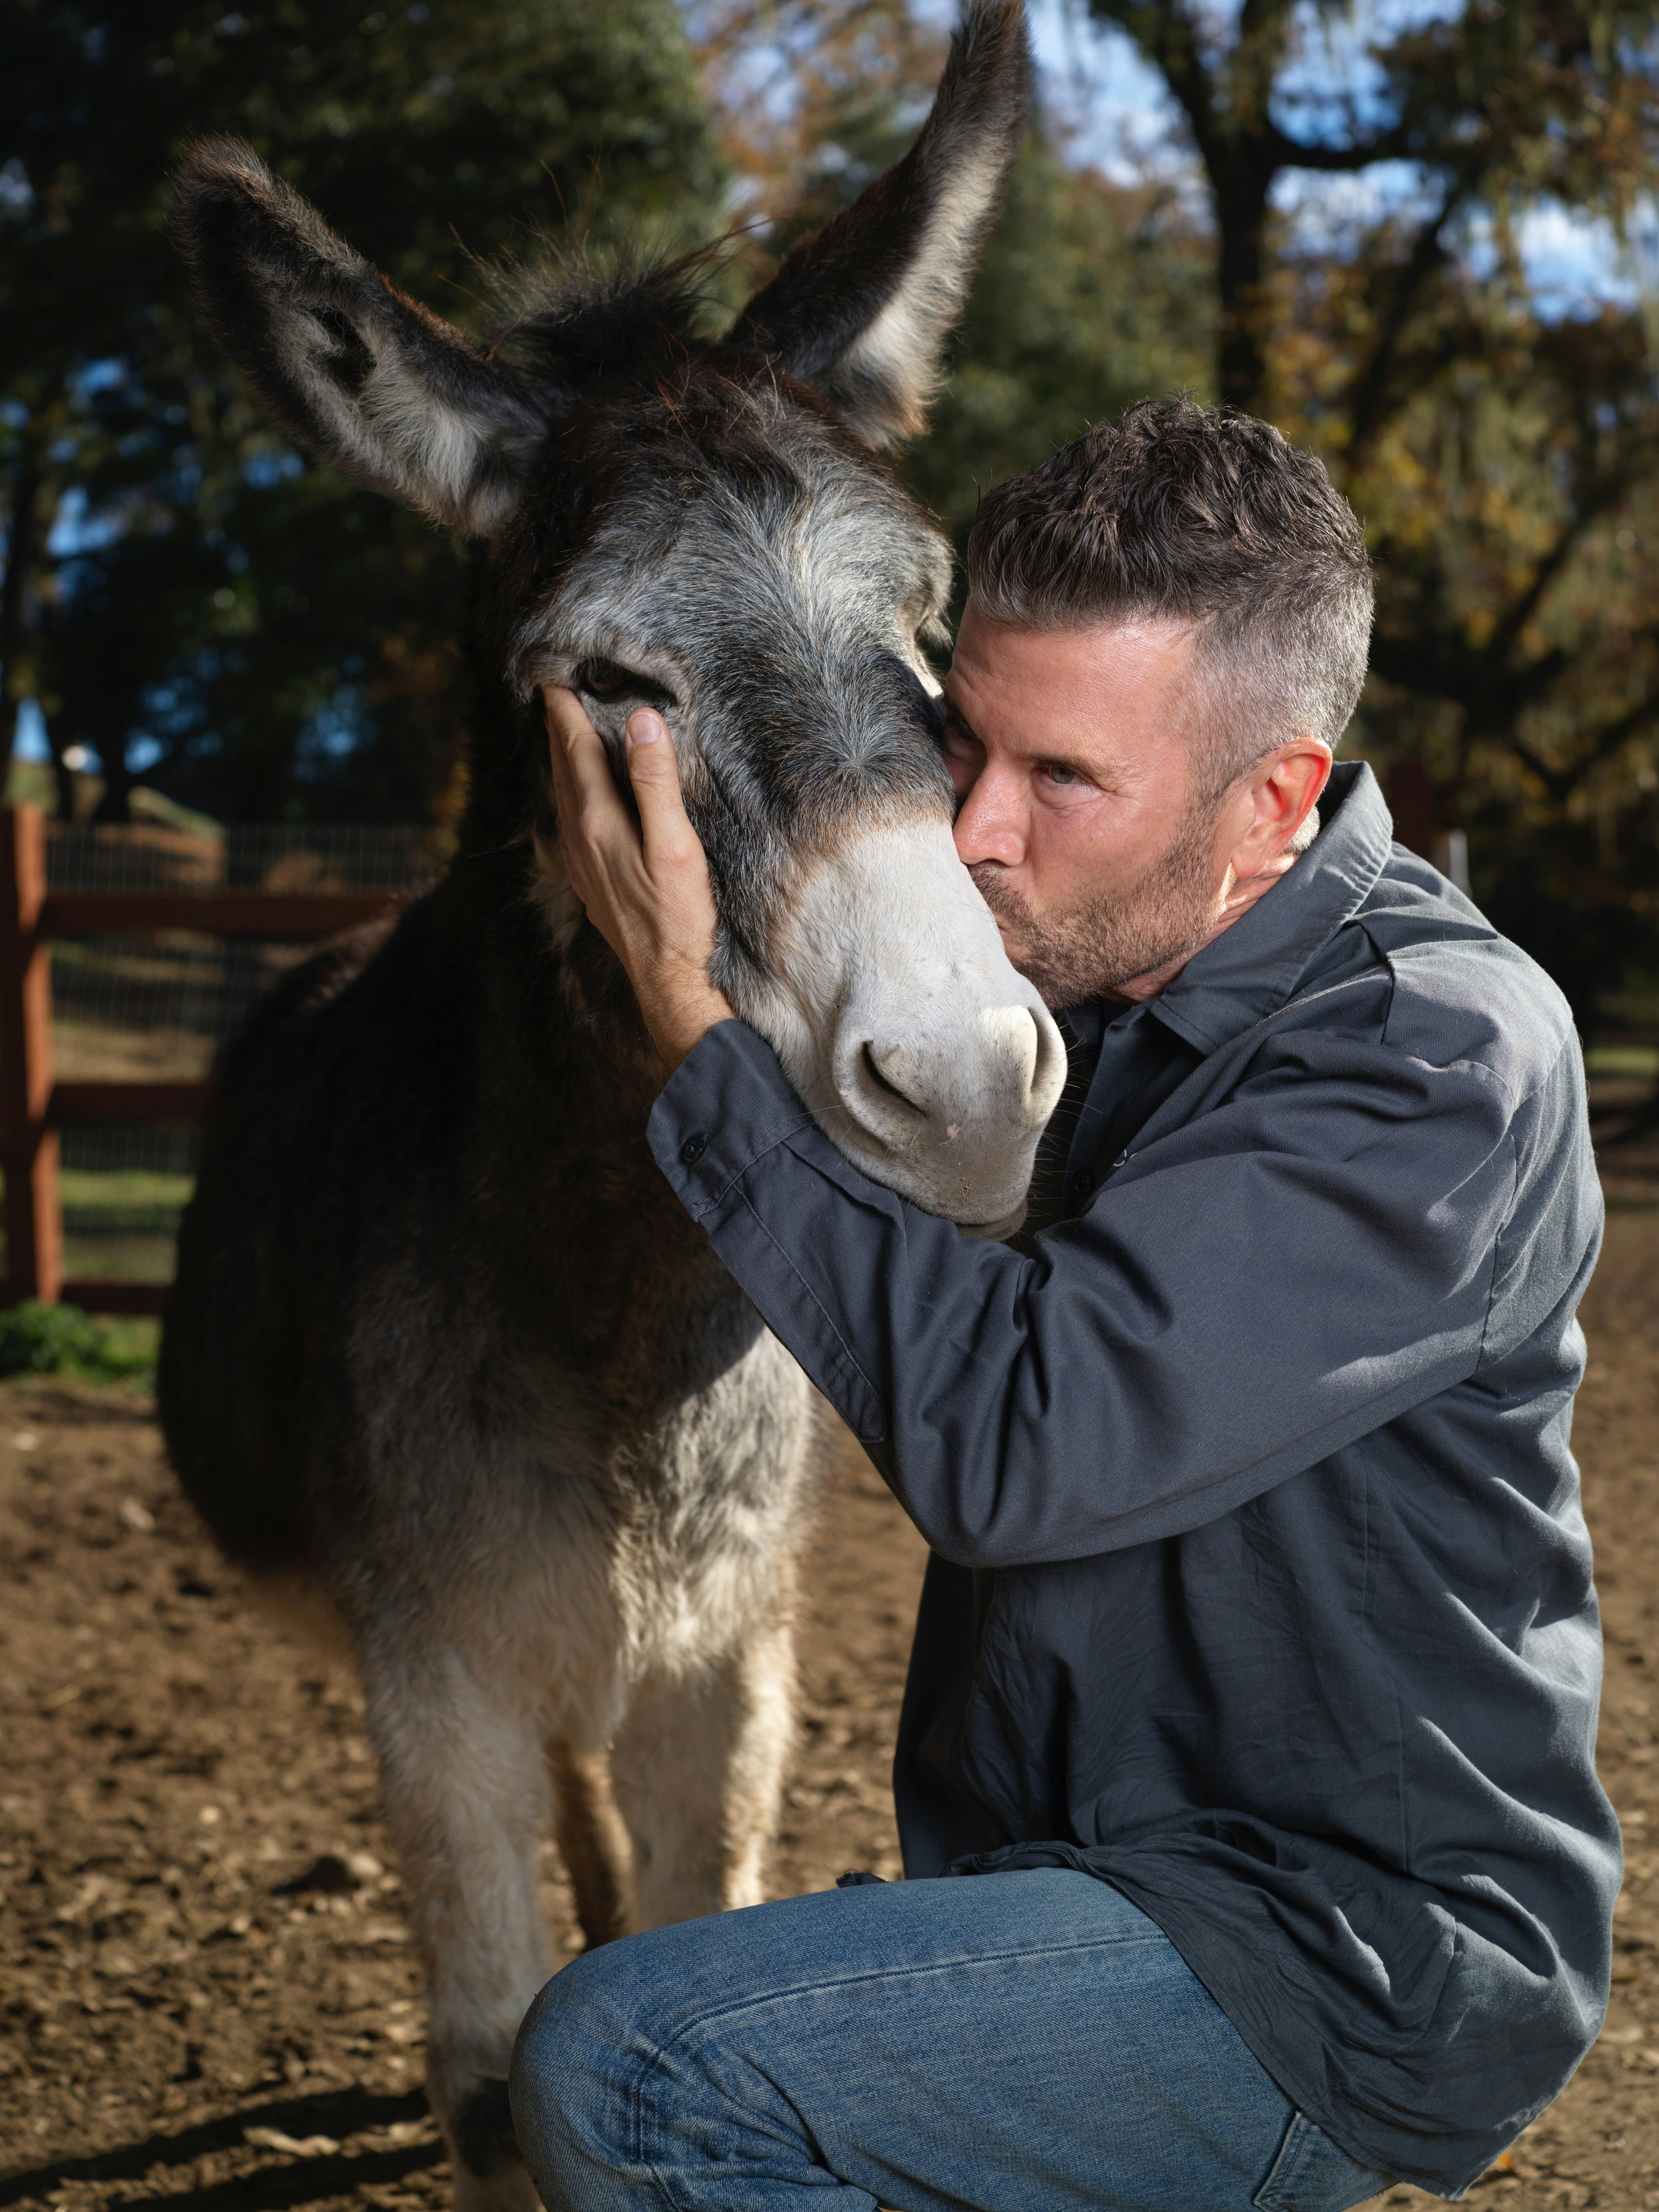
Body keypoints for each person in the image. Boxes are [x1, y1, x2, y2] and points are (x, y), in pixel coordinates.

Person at [508, 399, 1619, 2212]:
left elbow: (1024, 1438)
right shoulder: (1075, 980)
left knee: (636, 2068)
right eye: (967, 739)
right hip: (1077, 1875)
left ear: (1272, 799)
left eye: (1065, 781)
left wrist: (689, 1033)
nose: (974, 826)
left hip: (1334, 1947)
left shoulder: (1433, 1056)